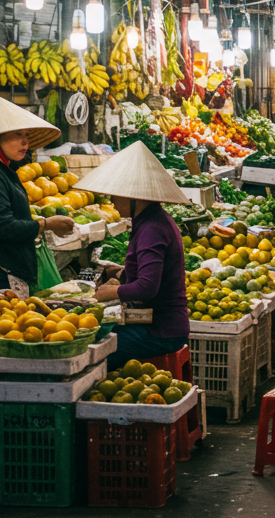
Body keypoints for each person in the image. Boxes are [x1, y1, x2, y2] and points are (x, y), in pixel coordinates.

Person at [80, 143, 193, 369]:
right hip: (157, 324)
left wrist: (113, 292)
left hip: (161, 331)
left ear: (135, 197)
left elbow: (147, 287)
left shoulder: (152, 228)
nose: (112, 200)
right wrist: (121, 275)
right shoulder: (149, 220)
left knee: (94, 350)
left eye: (116, 194)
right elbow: (149, 273)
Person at [0, 97, 74, 294]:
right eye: (17, 134)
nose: (25, 141)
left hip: (5, 273)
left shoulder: (2, 170)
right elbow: (5, 227)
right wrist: (46, 224)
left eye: (26, 135)